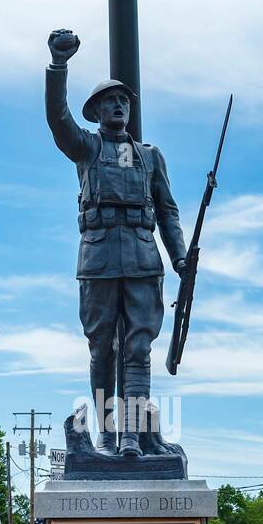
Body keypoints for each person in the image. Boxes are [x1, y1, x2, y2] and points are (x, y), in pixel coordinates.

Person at [45, 29, 188, 455]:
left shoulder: (149, 156)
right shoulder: (86, 148)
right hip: (99, 259)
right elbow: (57, 118)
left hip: (144, 260)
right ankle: (107, 433)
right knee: (102, 348)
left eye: (124, 100)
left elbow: (168, 210)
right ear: (97, 111)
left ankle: (131, 435)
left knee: (138, 348)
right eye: (111, 101)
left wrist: (180, 257)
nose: (119, 105)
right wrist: (58, 65)